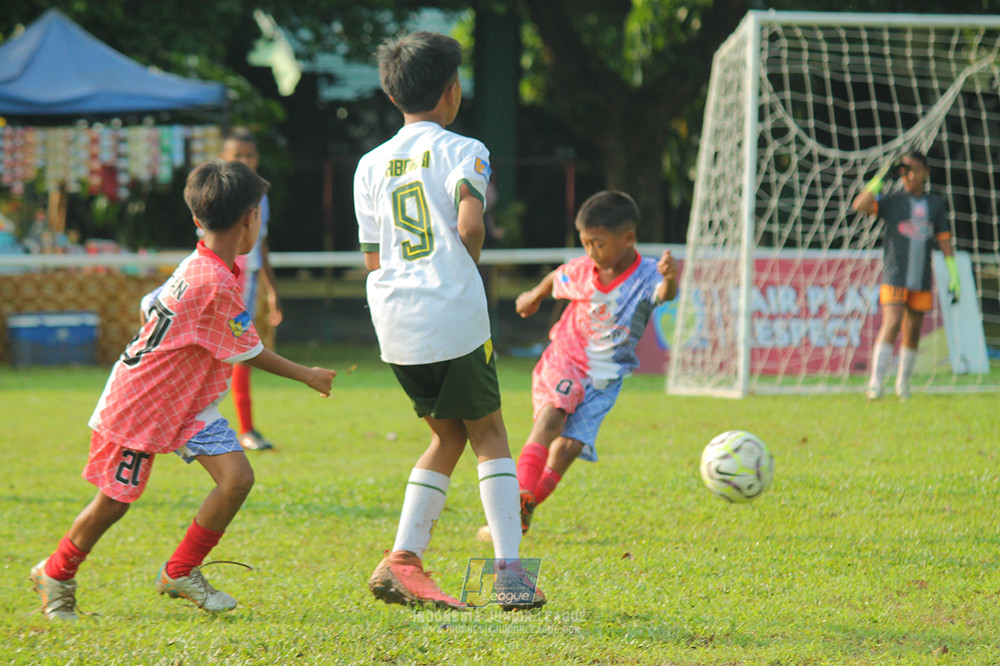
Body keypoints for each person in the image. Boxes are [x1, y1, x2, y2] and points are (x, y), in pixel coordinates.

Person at [30, 160, 336, 621]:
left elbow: (149, 304)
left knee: (236, 479)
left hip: (187, 402)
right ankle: (56, 573)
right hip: (141, 403)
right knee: (114, 502)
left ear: (197, 218)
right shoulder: (216, 282)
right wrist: (308, 374)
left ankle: (180, 570)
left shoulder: (202, 264)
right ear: (252, 218)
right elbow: (249, 350)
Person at [354, 31, 543, 610]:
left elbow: (372, 257)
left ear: (393, 96)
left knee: (447, 435)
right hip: (451, 314)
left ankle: (403, 560)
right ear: (453, 91)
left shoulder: (369, 164)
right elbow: (470, 224)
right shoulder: (466, 150)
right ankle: (510, 574)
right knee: (491, 434)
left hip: (394, 319)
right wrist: (463, 267)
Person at [489, 190, 678, 539]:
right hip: (566, 358)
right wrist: (533, 296)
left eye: (598, 244)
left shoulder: (647, 275)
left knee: (568, 449)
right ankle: (516, 501)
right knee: (552, 417)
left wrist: (669, 279)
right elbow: (557, 277)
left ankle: (522, 511)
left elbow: (665, 295)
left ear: (628, 239)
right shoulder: (583, 269)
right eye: (586, 243)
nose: (591, 251)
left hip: (606, 376)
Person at [852, 150, 959, 400]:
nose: (911, 176)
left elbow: (944, 239)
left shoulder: (935, 204)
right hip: (895, 274)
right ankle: (876, 384)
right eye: (906, 171)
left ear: (926, 172)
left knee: (912, 331)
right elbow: (860, 205)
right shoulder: (893, 201)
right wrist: (881, 178)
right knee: (892, 323)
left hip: (920, 277)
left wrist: (954, 273)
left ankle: (903, 385)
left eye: (916, 170)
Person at [219, 128, 283, 450]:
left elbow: (262, 244)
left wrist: (272, 289)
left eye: (249, 155)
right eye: (237, 156)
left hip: (249, 281)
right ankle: (243, 429)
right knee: (235, 349)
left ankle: (244, 428)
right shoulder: (219, 192)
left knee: (240, 348)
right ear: (223, 157)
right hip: (227, 278)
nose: (244, 161)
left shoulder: (260, 195)